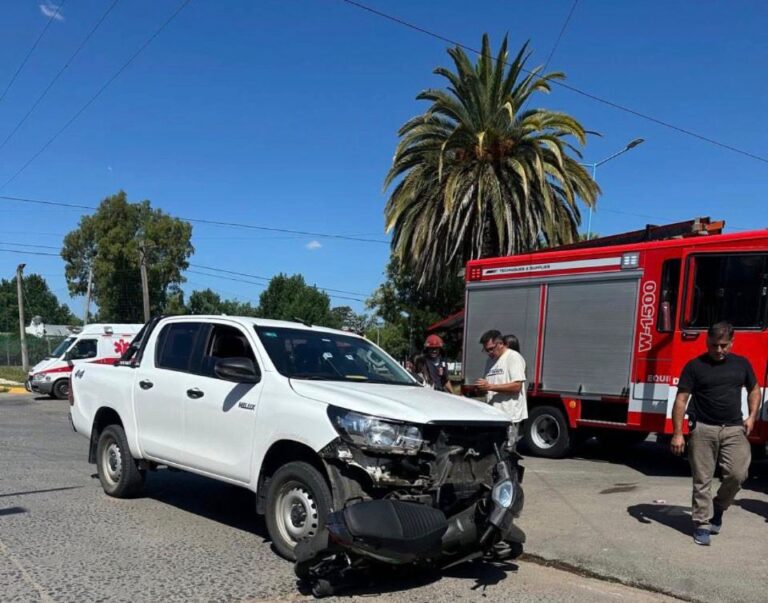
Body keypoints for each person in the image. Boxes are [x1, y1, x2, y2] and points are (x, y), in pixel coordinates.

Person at [670, 321, 761, 546]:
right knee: (702, 480)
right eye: (713, 345)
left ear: (732, 342)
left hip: (733, 428)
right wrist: (678, 433)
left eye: (723, 345)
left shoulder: (741, 364)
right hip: (703, 429)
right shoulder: (694, 366)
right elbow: (681, 400)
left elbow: (755, 389)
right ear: (706, 342)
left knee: (738, 474)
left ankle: (718, 507)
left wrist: (751, 416)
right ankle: (701, 523)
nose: (718, 350)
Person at [474, 329, 527, 448]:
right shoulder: (490, 361)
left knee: (507, 451)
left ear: (501, 344)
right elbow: (488, 387)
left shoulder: (513, 357)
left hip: (509, 415)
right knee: (494, 451)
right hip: (493, 413)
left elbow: (517, 386)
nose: (489, 352)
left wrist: (490, 386)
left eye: (491, 348)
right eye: (486, 350)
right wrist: (481, 388)